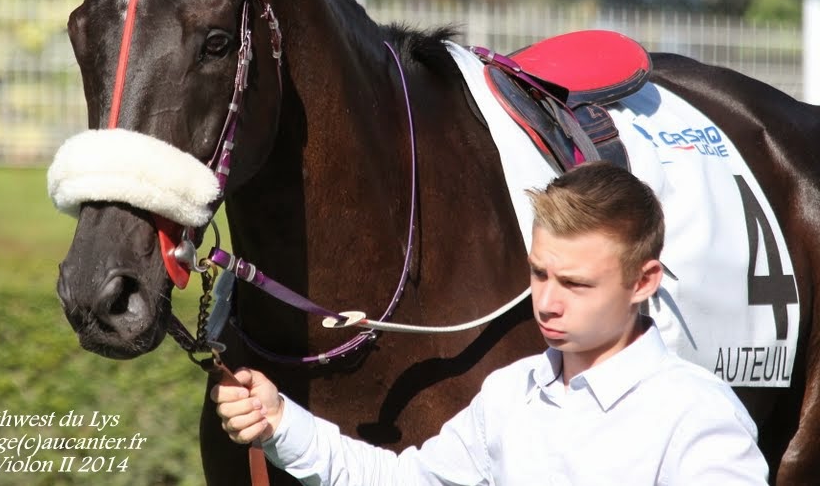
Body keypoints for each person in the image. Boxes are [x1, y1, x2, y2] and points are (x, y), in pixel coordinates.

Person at [211, 160, 769, 484]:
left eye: (575, 284)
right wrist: (280, 422)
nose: (546, 302)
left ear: (644, 282)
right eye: (539, 273)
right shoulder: (510, 394)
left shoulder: (700, 418)